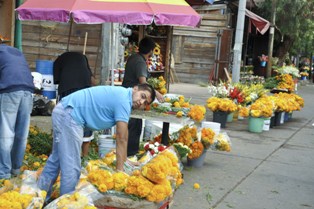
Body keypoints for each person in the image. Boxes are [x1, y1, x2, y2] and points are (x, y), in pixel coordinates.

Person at [38, 83, 155, 201]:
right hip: (69, 114)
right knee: (71, 165)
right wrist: (120, 171)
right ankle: (66, 203)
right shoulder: (124, 100)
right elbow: (121, 137)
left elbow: (122, 137)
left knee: (57, 159)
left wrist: (124, 160)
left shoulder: (124, 96)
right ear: (135, 89)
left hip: (64, 110)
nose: (141, 102)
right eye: (142, 96)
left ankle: (39, 198)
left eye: (145, 103)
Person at [122, 37, 164, 156]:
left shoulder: (133, 57)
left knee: (129, 125)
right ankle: (130, 154)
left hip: (128, 95)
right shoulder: (140, 62)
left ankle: (127, 152)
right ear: (151, 51)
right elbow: (143, 82)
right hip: (134, 98)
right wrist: (156, 93)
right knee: (134, 126)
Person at [0, 43, 35, 179]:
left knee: (5, 133)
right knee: (21, 134)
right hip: (28, 91)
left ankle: (3, 174)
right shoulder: (15, 52)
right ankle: (15, 170)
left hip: (10, 91)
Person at [53, 51, 95, 157]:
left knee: (67, 118)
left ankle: (68, 154)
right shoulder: (83, 57)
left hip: (68, 90)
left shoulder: (58, 61)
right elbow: (92, 79)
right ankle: (84, 156)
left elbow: (57, 80)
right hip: (85, 89)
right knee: (86, 118)